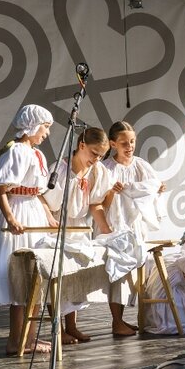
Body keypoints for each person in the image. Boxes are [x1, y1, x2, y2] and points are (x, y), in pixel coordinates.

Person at [43, 127, 135, 339]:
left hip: (79, 227)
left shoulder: (97, 171)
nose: (96, 159)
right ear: (81, 145)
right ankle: (57, 331)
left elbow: (95, 204)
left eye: (101, 155)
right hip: (57, 226)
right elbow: (43, 198)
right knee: (57, 277)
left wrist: (106, 230)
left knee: (74, 277)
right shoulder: (60, 169)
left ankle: (72, 326)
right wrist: (49, 218)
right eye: (94, 153)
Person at [0, 105, 56, 355]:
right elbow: (0, 188)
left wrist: (49, 216)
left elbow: (37, 193)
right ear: (31, 125)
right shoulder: (16, 151)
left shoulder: (37, 155)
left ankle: (28, 340)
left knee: (34, 282)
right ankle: (14, 341)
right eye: (45, 127)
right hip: (19, 213)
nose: (46, 133)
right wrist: (10, 218)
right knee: (20, 281)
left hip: (34, 214)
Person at [101, 121, 165, 335]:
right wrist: (111, 191)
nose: (129, 146)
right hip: (116, 224)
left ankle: (141, 317)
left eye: (132, 142)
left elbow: (154, 188)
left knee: (140, 270)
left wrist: (158, 189)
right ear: (112, 144)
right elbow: (97, 202)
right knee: (118, 271)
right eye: (123, 143)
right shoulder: (106, 169)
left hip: (135, 223)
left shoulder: (141, 165)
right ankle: (116, 321)